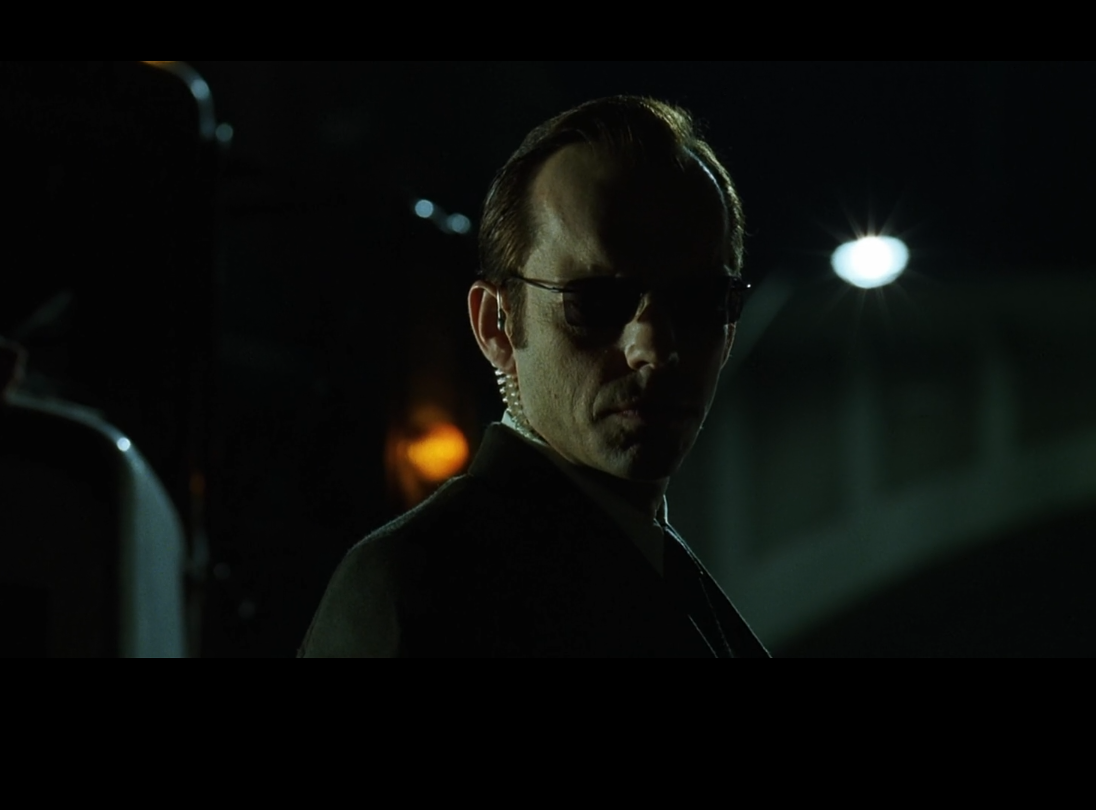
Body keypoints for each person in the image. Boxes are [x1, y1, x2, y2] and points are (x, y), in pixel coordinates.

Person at [300, 96, 769, 657]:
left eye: (700, 301)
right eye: (596, 302)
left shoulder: (664, 575)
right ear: (496, 326)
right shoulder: (417, 585)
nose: (653, 348)